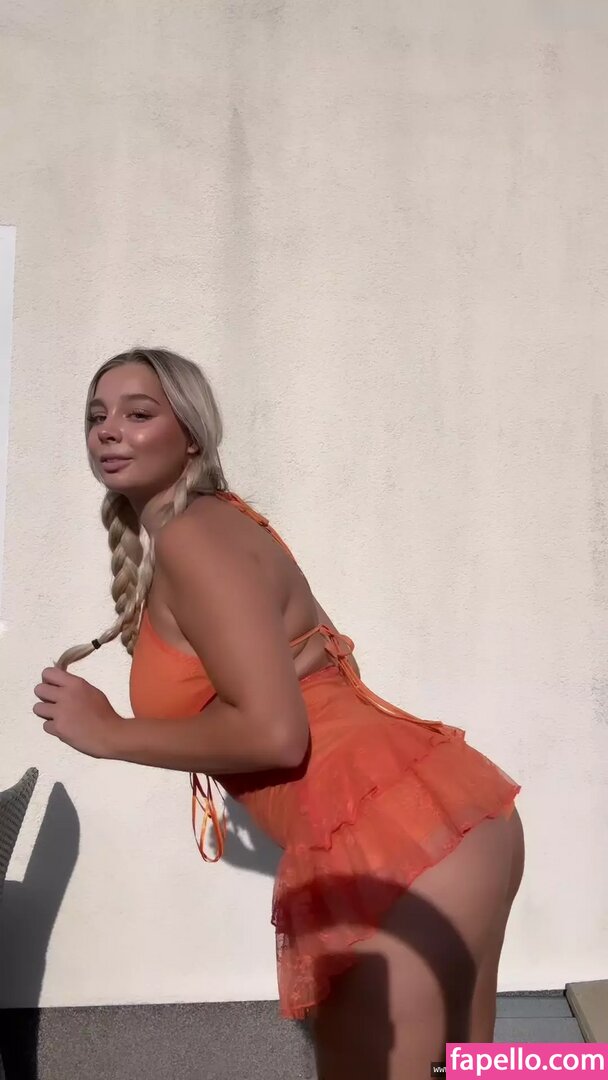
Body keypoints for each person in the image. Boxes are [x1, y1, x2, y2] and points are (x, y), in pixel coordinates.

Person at [33, 347, 524, 1079]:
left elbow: (275, 733)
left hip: (396, 842)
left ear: (190, 435)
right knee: (467, 1069)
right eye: (96, 416)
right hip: (450, 817)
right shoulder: (224, 523)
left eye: (139, 413)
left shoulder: (194, 536)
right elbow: (323, 665)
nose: (109, 430)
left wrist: (110, 733)